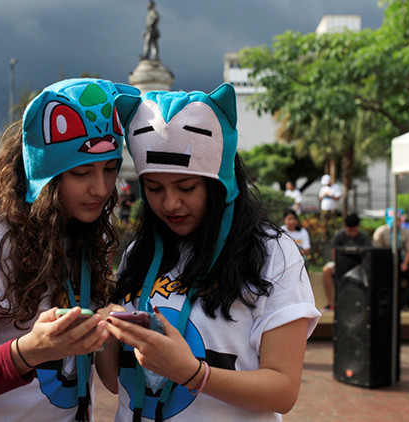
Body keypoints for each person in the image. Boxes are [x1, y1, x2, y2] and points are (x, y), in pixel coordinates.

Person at [102, 84, 320, 421]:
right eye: (154, 188)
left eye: (187, 187)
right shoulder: (138, 254)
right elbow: (116, 383)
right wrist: (104, 327)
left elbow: (283, 391)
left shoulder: (272, 253)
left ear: (221, 184)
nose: (170, 204)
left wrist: (192, 373)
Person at [0, 79, 140, 421]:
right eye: (81, 172)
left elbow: (107, 378)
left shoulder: (90, 235)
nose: (101, 189)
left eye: (110, 169)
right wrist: (29, 350)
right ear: (45, 175)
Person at [373, 207, 409, 310]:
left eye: (399, 220)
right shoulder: (381, 232)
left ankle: (402, 300)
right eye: (394, 220)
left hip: (401, 262)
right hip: (386, 263)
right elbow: (377, 251)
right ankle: (404, 301)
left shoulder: (405, 232)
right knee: (390, 279)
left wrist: (405, 263)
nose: (397, 223)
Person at [321, 213, 371, 311]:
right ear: (345, 227)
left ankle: (365, 303)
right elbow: (334, 255)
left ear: (358, 227)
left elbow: (368, 255)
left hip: (359, 266)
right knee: (326, 270)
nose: (352, 233)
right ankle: (332, 304)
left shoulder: (364, 238)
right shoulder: (339, 236)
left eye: (354, 230)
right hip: (341, 264)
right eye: (350, 230)